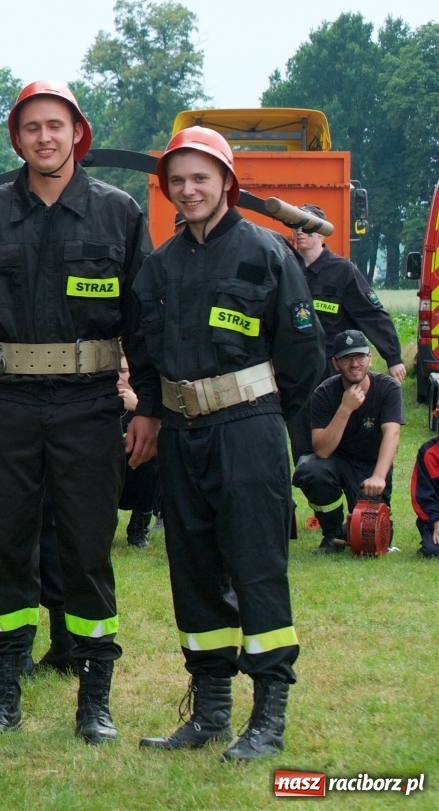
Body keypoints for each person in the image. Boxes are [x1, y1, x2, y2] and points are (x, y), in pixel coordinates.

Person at [0, 81, 159, 744]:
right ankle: (2, 695)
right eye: (32, 127)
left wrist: (146, 403)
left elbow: (143, 320)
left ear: (77, 133)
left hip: (88, 407)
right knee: (7, 548)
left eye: (56, 126)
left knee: (88, 551)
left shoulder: (118, 213)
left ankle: (94, 700)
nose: (44, 137)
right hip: (5, 406)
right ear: (18, 138)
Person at [133, 126, 324, 762]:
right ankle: (210, 711)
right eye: (178, 181)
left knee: (257, 568)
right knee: (193, 571)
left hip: (248, 432)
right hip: (183, 436)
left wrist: (266, 422)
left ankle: (268, 716)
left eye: (200, 178)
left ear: (226, 182)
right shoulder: (157, 266)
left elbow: (302, 359)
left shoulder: (268, 254)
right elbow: (145, 353)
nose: (188, 191)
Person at [285, 206, 403, 462]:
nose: (300, 232)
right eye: (296, 226)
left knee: (342, 443)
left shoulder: (342, 271)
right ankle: (322, 500)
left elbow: (372, 314)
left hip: (334, 370)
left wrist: (393, 356)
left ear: (322, 234)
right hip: (297, 374)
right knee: (305, 453)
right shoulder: (286, 270)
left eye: (307, 227)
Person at [294, 329, 404, 553]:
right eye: (346, 358)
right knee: (310, 471)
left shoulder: (388, 388)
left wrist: (379, 476)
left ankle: (348, 530)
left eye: (360, 357)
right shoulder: (323, 393)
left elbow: (392, 434)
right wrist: (345, 408)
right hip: (336, 462)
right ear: (335, 363)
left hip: (371, 467)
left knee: (371, 538)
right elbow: (322, 450)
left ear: (370, 358)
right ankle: (332, 534)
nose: (354, 364)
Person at [117, 356, 159, 548]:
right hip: (104, 478)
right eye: (114, 372)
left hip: (136, 476)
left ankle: (139, 526)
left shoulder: (149, 407)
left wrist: (139, 407)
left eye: (124, 371)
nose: (118, 378)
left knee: (152, 455)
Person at [412, 434, 439, 559]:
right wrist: (436, 520)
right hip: (436, 517)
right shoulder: (428, 452)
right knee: (432, 551)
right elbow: (423, 495)